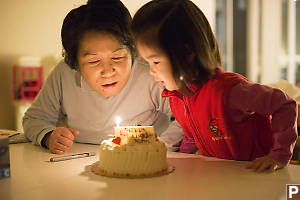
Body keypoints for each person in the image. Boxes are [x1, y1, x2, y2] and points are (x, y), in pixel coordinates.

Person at [132, 0, 298, 172]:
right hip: (221, 178)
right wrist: (179, 162)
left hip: (255, 176)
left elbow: (284, 104)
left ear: (187, 53)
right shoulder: (177, 97)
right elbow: (193, 135)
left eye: (156, 61)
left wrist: (278, 155)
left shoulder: (229, 91)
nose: (151, 71)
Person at [23, 0, 184, 155]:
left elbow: (186, 118)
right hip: (77, 165)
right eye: (94, 61)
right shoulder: (64, 73)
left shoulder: (149, 73)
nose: (107, 72)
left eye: (117, 58)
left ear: (133, 51)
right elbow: (34, 119)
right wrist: (47, 136)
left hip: (143, 166)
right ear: (75, 63)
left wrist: (161, 146)